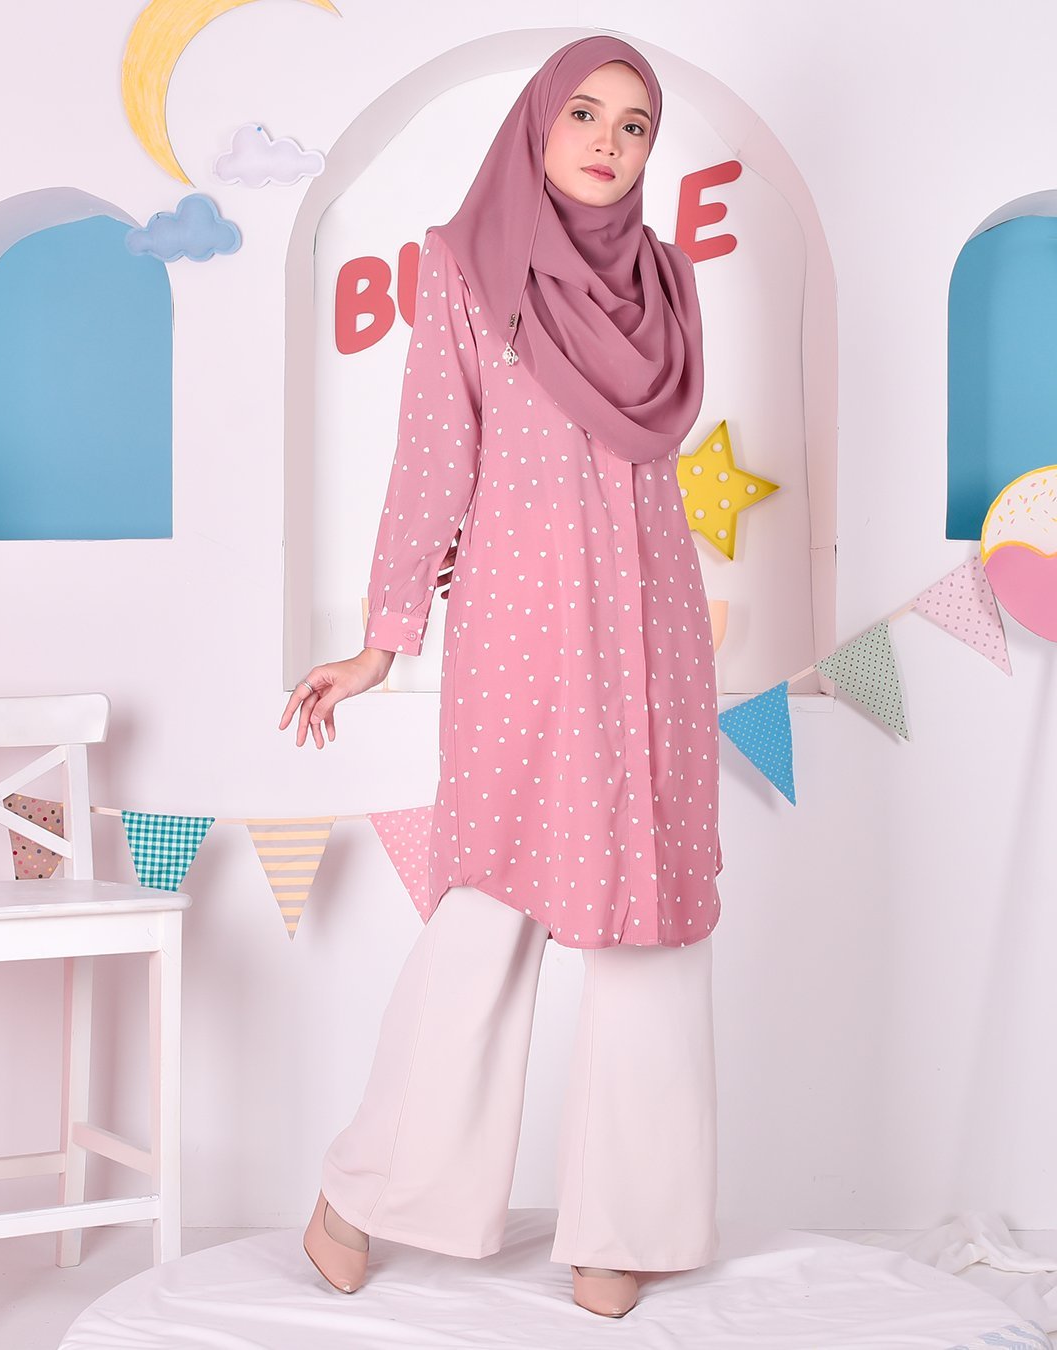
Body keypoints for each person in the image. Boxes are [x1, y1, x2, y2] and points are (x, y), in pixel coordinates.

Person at [278, 34, 723, 1319]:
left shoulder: (670, 281)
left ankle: (625, 1226)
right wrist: (381, 640)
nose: (607, 141)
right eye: (583, 113)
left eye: (634, 125)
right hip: (524, 642)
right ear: (538, 124)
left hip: (655, 638)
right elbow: (435, 461)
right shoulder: (466, 268)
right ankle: (364, 1194)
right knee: (490, 915)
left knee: (653, 921)